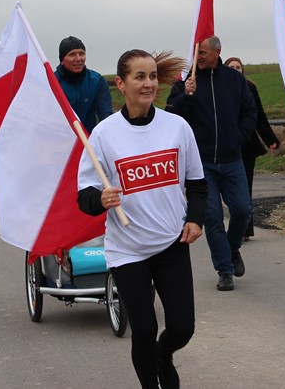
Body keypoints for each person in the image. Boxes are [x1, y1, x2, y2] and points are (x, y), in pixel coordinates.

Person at [78, 49, 206, 389]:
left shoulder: (177, 127)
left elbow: (197, 183)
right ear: (121, 84)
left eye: (152, 76)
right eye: (139, 77)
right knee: (145, 329)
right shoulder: (104, 134)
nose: (148, 84)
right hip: (128, 250)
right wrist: (99, 200)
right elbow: (84, 196)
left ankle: (163, 354)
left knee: (181, 328)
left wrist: (195, 219)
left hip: (171, 243)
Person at [165, 35, 256, 292]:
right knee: (213, 217)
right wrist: (187, 95)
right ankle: (224, 270)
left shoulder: (234, 80)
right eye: (196, 53)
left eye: (203, 53)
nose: (199, 58)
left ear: (217, 52)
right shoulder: (186, 81)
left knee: (242, 210)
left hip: (232, 159)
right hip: (201, 163)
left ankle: (232, 248)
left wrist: (239, 137)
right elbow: (171, 116)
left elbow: (250, 111)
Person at [223, 57, 280, 240]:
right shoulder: (219, 87)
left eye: (238, 67)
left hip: (247, 145)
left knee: (245, 188)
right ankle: (234, 225)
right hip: (226, 146)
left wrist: (270, 139)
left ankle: (244, 231)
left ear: (243, 70)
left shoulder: (249, 87)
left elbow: (259, 116)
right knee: (229, 191)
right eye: (231, 67)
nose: (235, 70)